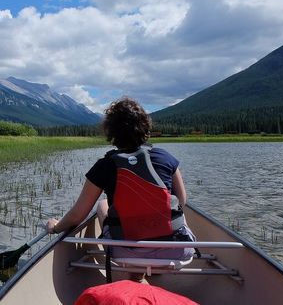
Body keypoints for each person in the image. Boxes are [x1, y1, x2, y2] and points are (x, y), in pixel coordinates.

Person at [45, 96, 195, 283]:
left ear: (112, 133)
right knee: (175, 210)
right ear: (145, 129)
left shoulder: (105, 165)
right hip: (177, 249)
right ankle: (152, 270)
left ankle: (135, 274)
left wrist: (56, 227)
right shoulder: (166, 157)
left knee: (102, 205)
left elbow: (78, 214)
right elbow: (181, 201)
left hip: (123, 251)